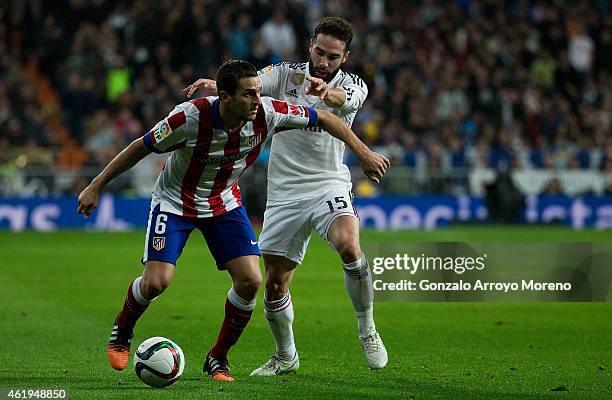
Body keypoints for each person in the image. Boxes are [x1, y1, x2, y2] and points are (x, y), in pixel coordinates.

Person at [78, 59, 389, 382]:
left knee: (252, 281)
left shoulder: (268, 112)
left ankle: (218, 357)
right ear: (224, 98)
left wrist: (363, 153)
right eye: (248, 95)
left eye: (258, 92)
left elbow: (324, 117)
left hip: (223, 203)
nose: (257, 101)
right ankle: (123, 329)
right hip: (175, 203)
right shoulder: (189, 117)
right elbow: (139, 147)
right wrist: (95, 185)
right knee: (157, 282)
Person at [183, 17, 389, 375]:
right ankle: (286, 356)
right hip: (283, 192)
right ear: (310, 45)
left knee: (350, 247)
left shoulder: (354, 85)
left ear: (346, 57)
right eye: (320, 52)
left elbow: (344, 99)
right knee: (276, 283)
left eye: (333, 57)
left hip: (328, 183)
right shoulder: (285, 74)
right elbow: (253, 83)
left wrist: (326, 93)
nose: (324, 62)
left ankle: (367, 328)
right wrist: (217, 85)